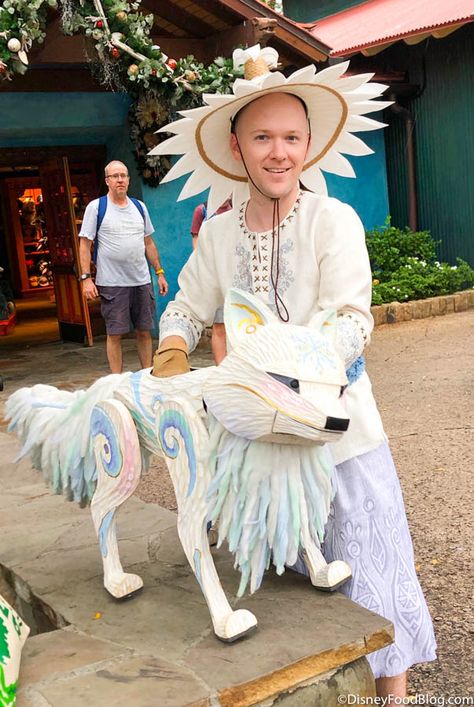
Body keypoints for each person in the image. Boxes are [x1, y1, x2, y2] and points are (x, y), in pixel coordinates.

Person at [148, 46, 436, 698]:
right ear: (235, 145)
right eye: (262, 137)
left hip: (341, 435)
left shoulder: (333, 221)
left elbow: (351, 320)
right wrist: (170, 349)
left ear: (310, 143)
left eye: (291, 137)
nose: (279, 152)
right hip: (260, 450)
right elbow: (185, 306)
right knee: (295, 600)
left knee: (373, 575)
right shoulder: (217, 237)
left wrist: (292, 367)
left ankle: (395, 695)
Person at [79, 160, 168, 373]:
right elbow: (85, 244)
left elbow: (148, 242)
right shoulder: (97, 207)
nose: (120, 180)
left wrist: (159, 272)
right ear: (107, 181)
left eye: (124, 175)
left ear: (128, 179)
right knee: (115, 333)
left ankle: (147, 375)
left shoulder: (139, 207)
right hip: (112, 283)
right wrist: (86, 278)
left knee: (144, 331)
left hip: (141, 280)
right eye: (115, 176)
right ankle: (117, 379)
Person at [190, 198, 233, 364]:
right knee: (219, 323)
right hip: (215, 276)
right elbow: (196, 239)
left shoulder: (239, 209)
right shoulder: (202, 211)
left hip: (236, 273)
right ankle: (221, 366)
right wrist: (202, 264)